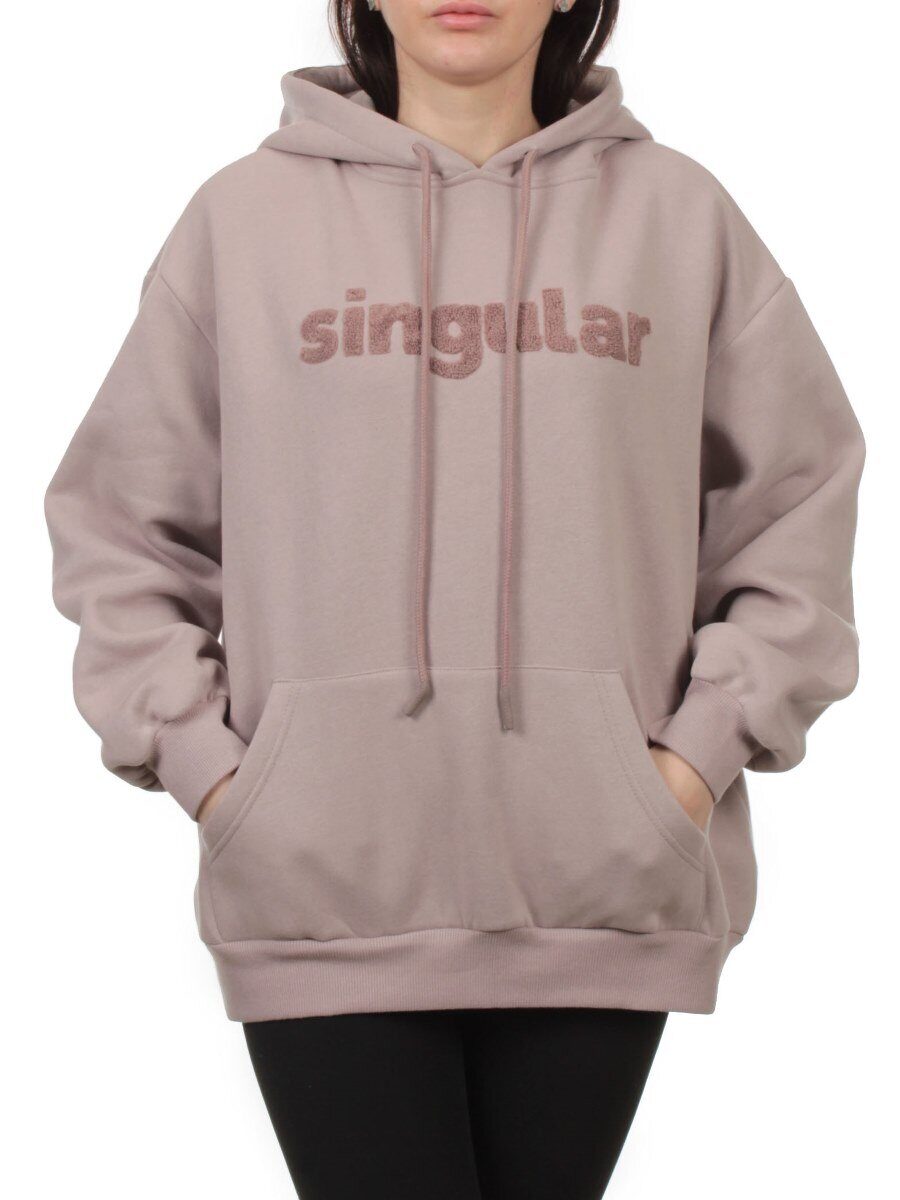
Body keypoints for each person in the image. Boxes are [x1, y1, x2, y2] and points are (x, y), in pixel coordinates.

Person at [43, 1, 865, 1197]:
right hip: (320, 895)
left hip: (601, 887)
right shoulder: (242, 220)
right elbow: (122, 524)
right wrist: (218, 777)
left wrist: (687, 767)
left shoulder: (678, 217)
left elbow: (798, 506)